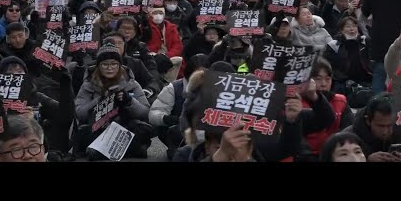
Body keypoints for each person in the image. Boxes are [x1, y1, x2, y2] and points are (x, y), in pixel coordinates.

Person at [175, 69, 304, 162]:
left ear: (249, 149)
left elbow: (287, 148)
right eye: (218, 147)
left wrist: (291, 120)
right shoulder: (185, 155)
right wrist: (220, 157)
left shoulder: (259, 150)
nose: (232, 154)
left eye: (239, 147)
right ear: (208, 145)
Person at [75, 43, 151, 159]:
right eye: (105, 64)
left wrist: (129, 101)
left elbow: (145, 112)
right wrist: (100, 100)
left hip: (124, 129)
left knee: (143, 128)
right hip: (98, 129)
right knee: (82, 132)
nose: (109, 68)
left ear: (119, 65)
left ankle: (102, 151)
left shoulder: (131, 84)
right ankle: (124, 150)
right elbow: (79, 113)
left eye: (114, 64)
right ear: (98, 66)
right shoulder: (88, 86)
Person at [149, 54, 210, 160]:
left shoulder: (216, 89)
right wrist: (166, 119)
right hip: (180, 134)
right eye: (197, 72)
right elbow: (154, 113)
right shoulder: (174, 88)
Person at [298, 58, 354, 160]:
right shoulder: (296, 104)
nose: (323, 84)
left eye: (328, 79)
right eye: (318, 79)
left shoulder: (340, 101)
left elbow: (349, 132)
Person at [343, 92, 401, 162]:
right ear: (368, 120)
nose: (385, 131)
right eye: (380, 126)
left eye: (390, 125)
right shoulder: (349, 139)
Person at [102, 33, 160, 103]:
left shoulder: (135, 63)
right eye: (112, 43)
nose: (116, 45)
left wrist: (148, 90)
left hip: (133, 101)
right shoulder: (94, 66)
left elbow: (151, 81)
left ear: (124, 45)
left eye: (119, 43)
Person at [323, 17, 372, 92]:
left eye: (354, 26)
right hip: (342, 82)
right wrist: (339, 77)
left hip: (366, 80)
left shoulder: (365, 42)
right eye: (348, 26)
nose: (351, 29)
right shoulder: (334, 45)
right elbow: (327, 65)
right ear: (342, 30)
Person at [145, 7, 184, 82]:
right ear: (150, 15)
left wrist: (167, 55)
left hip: (168, 56)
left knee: (179, 60)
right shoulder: (145, 27)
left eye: (160, 13)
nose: (158, 15)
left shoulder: (171, 27)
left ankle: (167, 82)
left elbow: (178, 46)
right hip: (152, 56)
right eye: (155, 13)